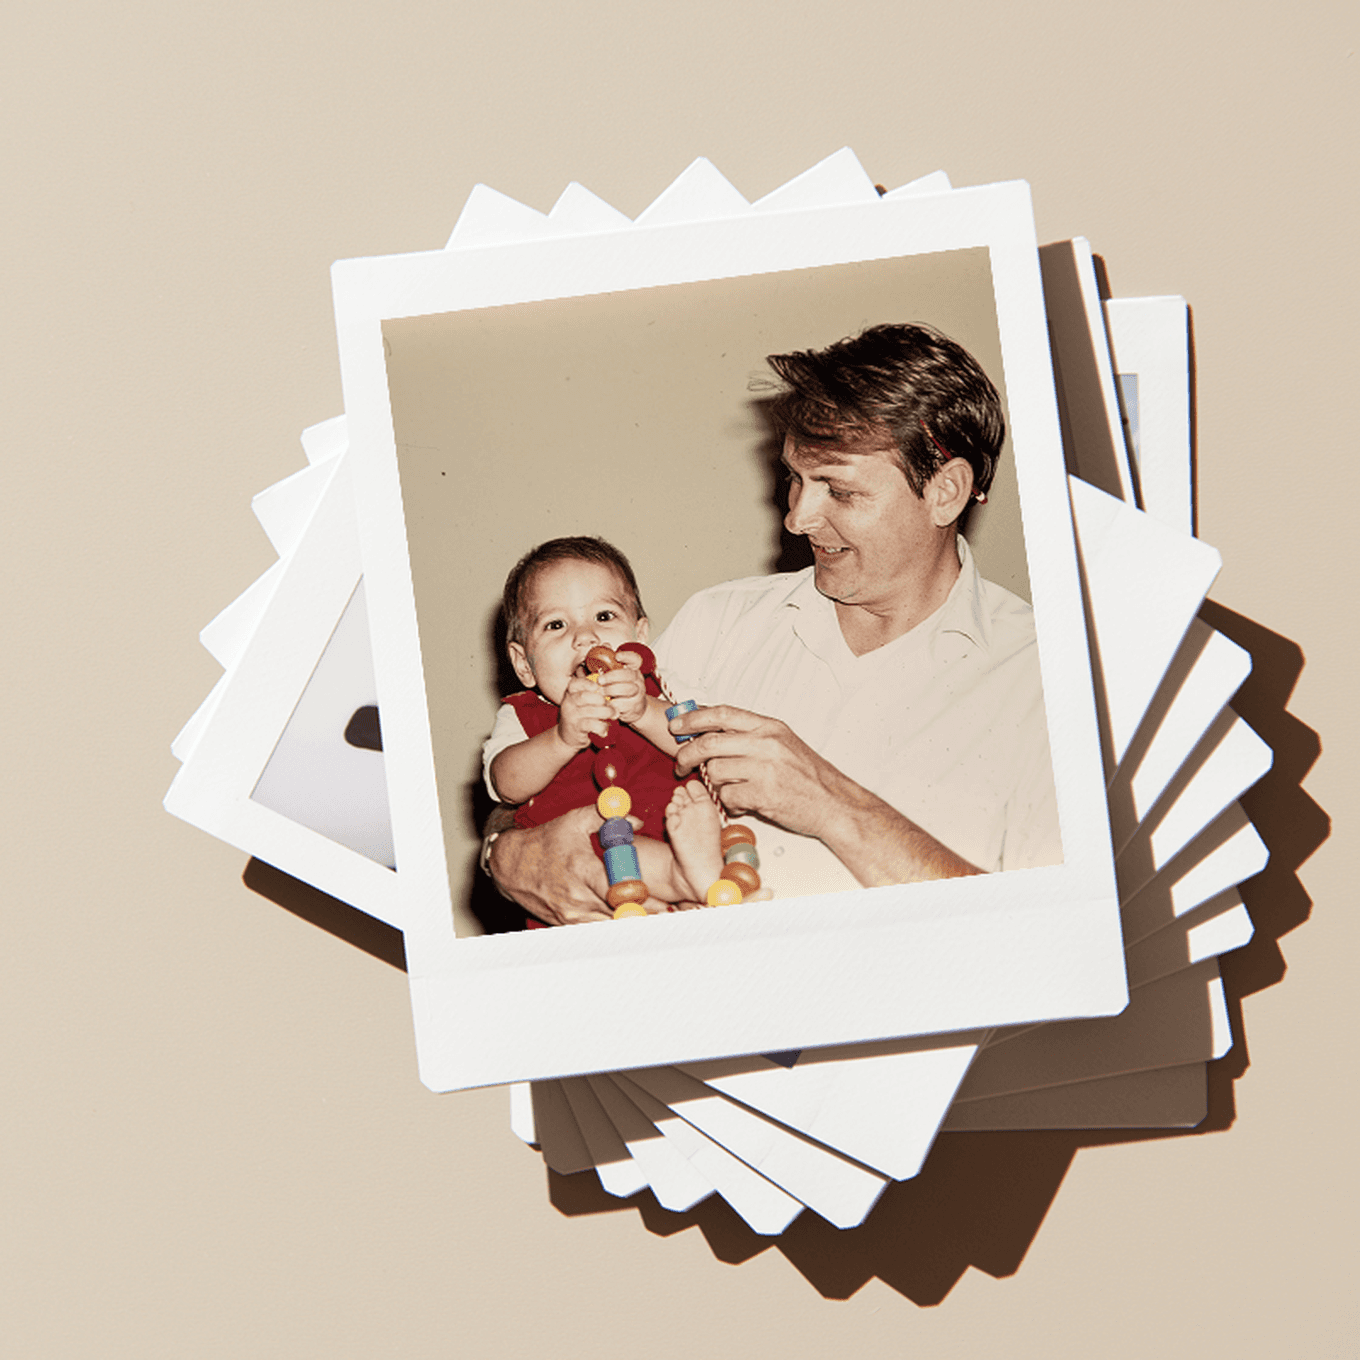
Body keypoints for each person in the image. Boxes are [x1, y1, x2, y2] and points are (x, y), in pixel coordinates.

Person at [484, 323, 1061, 923]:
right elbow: (554, 768)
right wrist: (508, 854)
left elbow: (1052, 938)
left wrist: (835, 806)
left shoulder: (1046, 680)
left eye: (837, 489)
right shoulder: (718, 619)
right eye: (795, 479)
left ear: (946, 492)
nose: (797, 518)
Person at [482, 536, 725, 918]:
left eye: (604, 617)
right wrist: (561, 739)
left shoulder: (664, 686)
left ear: (640, 634)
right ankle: (687, 875)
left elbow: (700, 744)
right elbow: (505, 784)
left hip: (673, 835)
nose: (585, 637)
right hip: (583, 878)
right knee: (608, 848)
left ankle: (692, 874)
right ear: (523, 664)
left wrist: (644, 711)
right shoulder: (524, 714)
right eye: (556, 624)